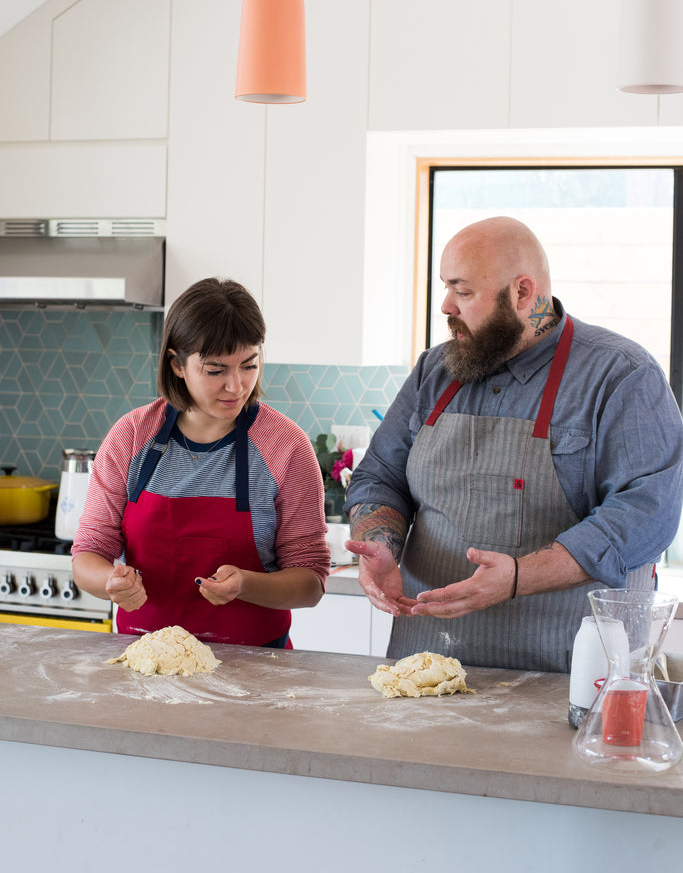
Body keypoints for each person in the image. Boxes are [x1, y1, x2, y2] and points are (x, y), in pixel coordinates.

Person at [344, 216, 683, 673]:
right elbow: (380, 475)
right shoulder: (435, 371)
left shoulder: (621, 375)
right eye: (446, 287)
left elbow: (646, 512)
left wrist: (520, 577)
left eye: (462, 292)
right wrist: (379, 541)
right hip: (425, 664)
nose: (445, 305)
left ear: (523, 293)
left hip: (570, 672)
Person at [72, 277, 330, 647]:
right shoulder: (131, 436)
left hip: (256, 672)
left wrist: (247, 585)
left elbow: (311, 583)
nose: (237, 386)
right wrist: (109, 583)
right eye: (216, 370)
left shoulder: (285, 446)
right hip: (143, 665)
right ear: (177, 364)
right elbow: (88, 555)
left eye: (249, 365)